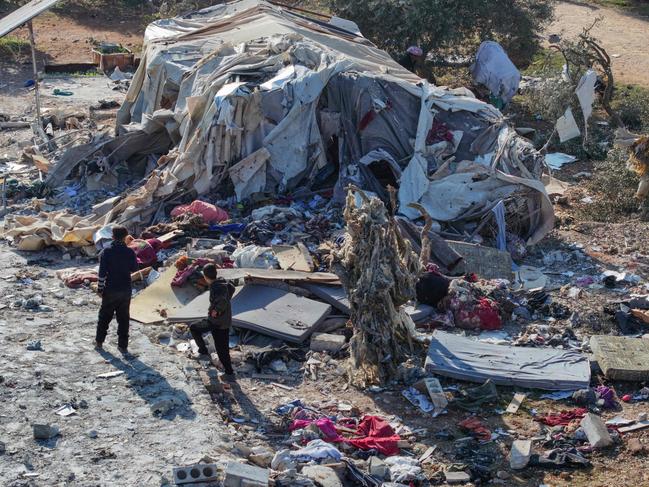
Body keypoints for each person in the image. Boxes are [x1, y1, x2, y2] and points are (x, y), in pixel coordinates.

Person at [95, 225, 138, 353]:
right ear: (126, 237)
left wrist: (100, 289)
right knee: (124, 319)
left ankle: (99, 342)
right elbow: (134, 269)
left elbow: (102, 273)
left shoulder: (106, 252)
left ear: (112, 237)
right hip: (125, 289)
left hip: (110, 289)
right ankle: (122, 346)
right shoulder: (130, 252)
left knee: (104, 317)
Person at [189, 263, 236, 380]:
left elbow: (222, 301)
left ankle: (228, 372)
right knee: (222, 347)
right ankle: (204, 352)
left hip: (217, 322)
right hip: (222, 321)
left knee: (221, 348)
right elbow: (232, 288)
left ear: (205, 276)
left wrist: (216, 311)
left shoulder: (217, 286)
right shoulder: (222, 282)